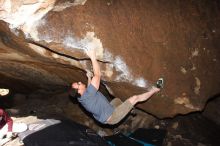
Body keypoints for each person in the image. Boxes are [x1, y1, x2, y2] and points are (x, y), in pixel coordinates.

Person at [70, 49, 163, 125]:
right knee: (135, 98)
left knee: (117, 100)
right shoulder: (88, 96)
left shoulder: (80, 98)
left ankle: (130, 110)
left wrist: (89, 77)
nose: (79, 82)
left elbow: (89, 88)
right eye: (78, 84)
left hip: (109, 108)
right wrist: (93, 57)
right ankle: (155, 89)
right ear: (79, 91)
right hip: (112, 117)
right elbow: (97, 75)